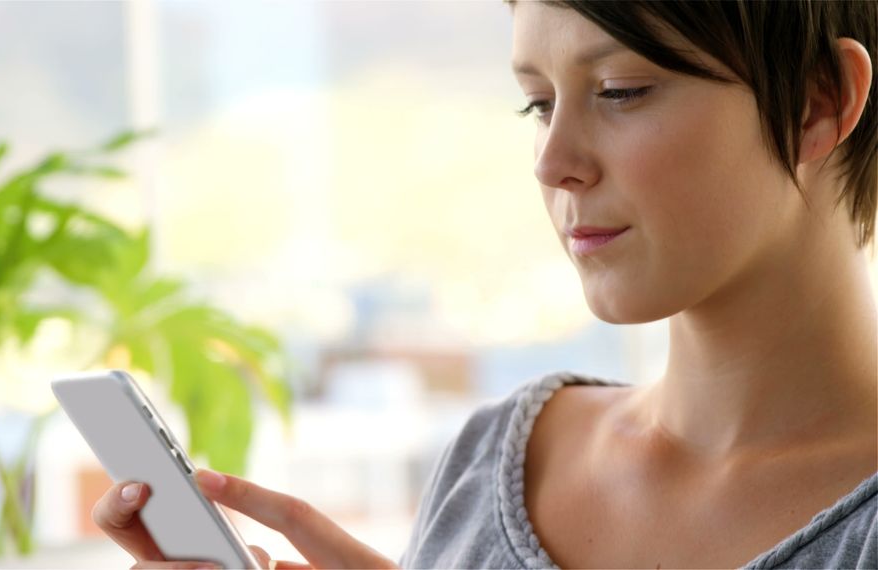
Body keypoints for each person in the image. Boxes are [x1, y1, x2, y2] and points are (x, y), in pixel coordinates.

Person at [92, 1, 877, 568]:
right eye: (538, 103)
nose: (552, 159)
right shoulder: (493, 458)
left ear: (820, 100)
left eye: (619, 91)